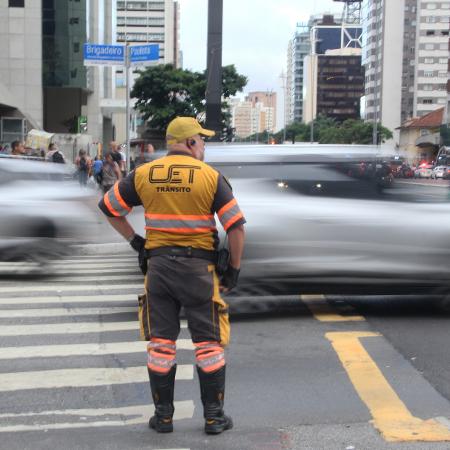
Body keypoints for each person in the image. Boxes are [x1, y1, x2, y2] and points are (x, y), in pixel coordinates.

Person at [98, 117, 246, 435]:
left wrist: (136, 241)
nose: (204, 146)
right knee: (208, 344)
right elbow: (235, 226)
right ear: (191, 143)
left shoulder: (144, 173)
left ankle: (163, 417)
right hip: (199, 273)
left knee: (161, 344)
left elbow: (109, 207)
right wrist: (233, 269)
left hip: (159, 270)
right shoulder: (210, 176)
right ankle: (214, 417)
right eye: (202, 140)